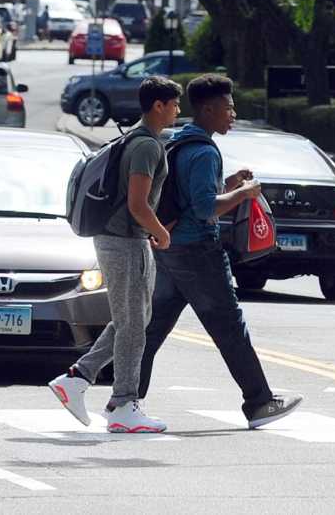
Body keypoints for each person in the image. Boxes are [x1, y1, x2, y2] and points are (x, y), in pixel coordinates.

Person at [121, 73, 301, 429]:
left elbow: (189, 195)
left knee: (151, 329)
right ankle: (260, 403)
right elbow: (205, 209)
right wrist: (243, 193)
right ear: (208, 109)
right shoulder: (204, 151)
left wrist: (228, 184)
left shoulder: (179, 142)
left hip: (169, 249)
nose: (233, 114)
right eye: (228, 108)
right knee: (230, 328)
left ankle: (124, 401)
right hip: (198, 252)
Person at [49, 75, 179, 434]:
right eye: (174, 105)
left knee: (133, 319)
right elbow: (138, 204)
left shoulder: (136, 138)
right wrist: (161, 232)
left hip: (121, 240)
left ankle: (78, 378)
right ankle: (124, 404)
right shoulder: (147, 146)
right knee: (133, 325)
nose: (177, 110)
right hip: (125, 242)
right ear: (159, 106)